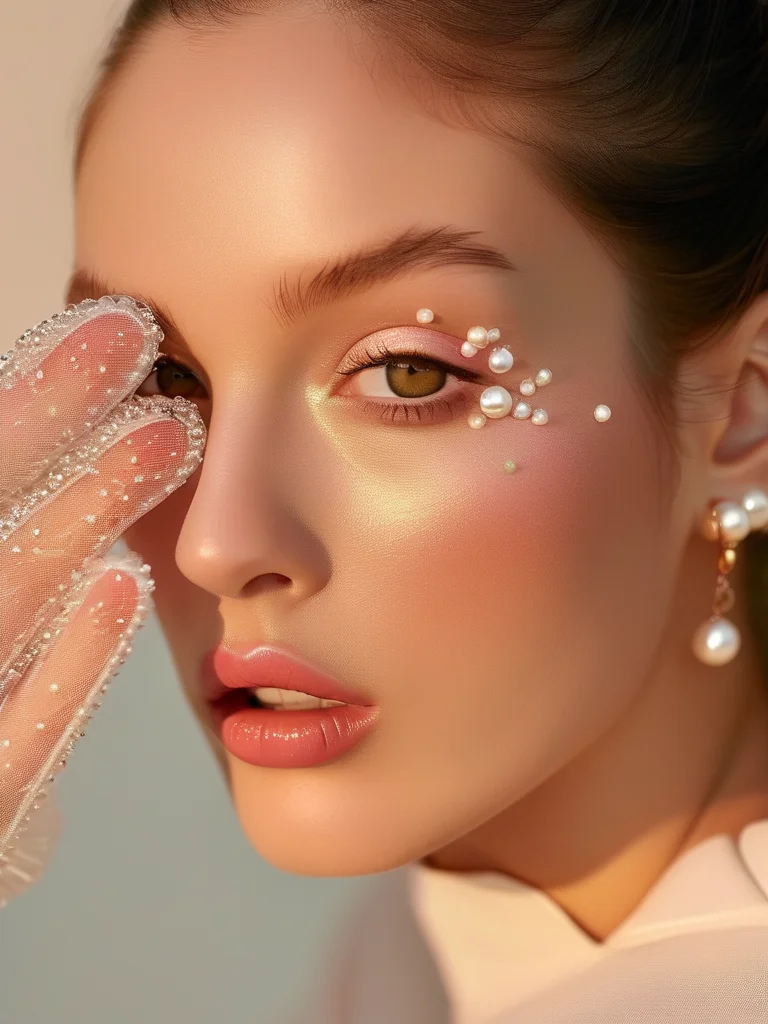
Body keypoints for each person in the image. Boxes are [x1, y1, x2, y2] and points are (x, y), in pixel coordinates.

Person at [3, 0, 768, 1019]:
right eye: (165, 381)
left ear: (743, 410)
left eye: (406, 373)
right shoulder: (424, 947)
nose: (214, 541)